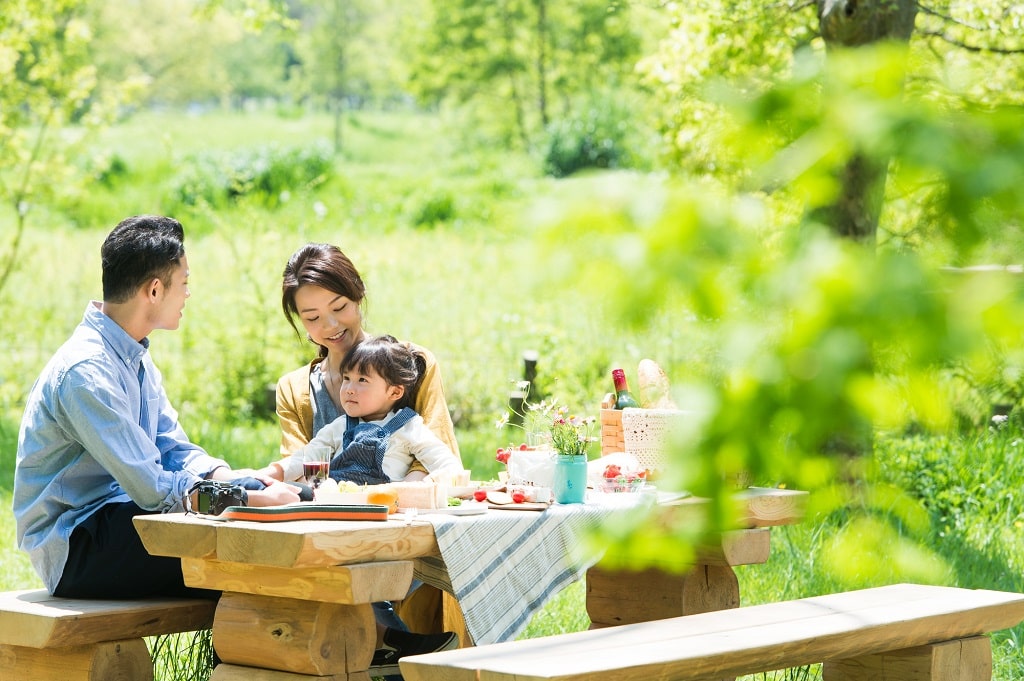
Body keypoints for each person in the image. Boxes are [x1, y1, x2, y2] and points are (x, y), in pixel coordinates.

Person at [13, 215, 300, 600]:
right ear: (153, 290)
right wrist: (243, 499)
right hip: (79, 543)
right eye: (184, 284)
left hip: (122, 517)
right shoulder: (85, 373)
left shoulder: (134, 357)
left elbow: (172, 449)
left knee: (268, 511)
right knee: (245, 552)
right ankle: (236, 661)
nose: (187, 295)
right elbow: (152, 488)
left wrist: (232, 478)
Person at [273, 243, 460, 676]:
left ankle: (384, 641)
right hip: (330, 523)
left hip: (402, 524)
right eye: (312, 318)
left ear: (358, 295)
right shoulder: (296, 388)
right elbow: (300, 464)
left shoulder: (411, 365)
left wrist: (380, 495)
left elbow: (437, 457)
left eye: (339, 307)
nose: (330, 326)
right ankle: (386, 643)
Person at [262, 334, 463, 485]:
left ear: (394, 392)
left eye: (362, 381)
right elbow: (308, 455)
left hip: (384, 508)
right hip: (339, 501)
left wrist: (427, 486)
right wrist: (275, 473)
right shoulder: (340, 425)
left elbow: (446, 463)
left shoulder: (408, 427)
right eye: (346, 379)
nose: (349, 389)